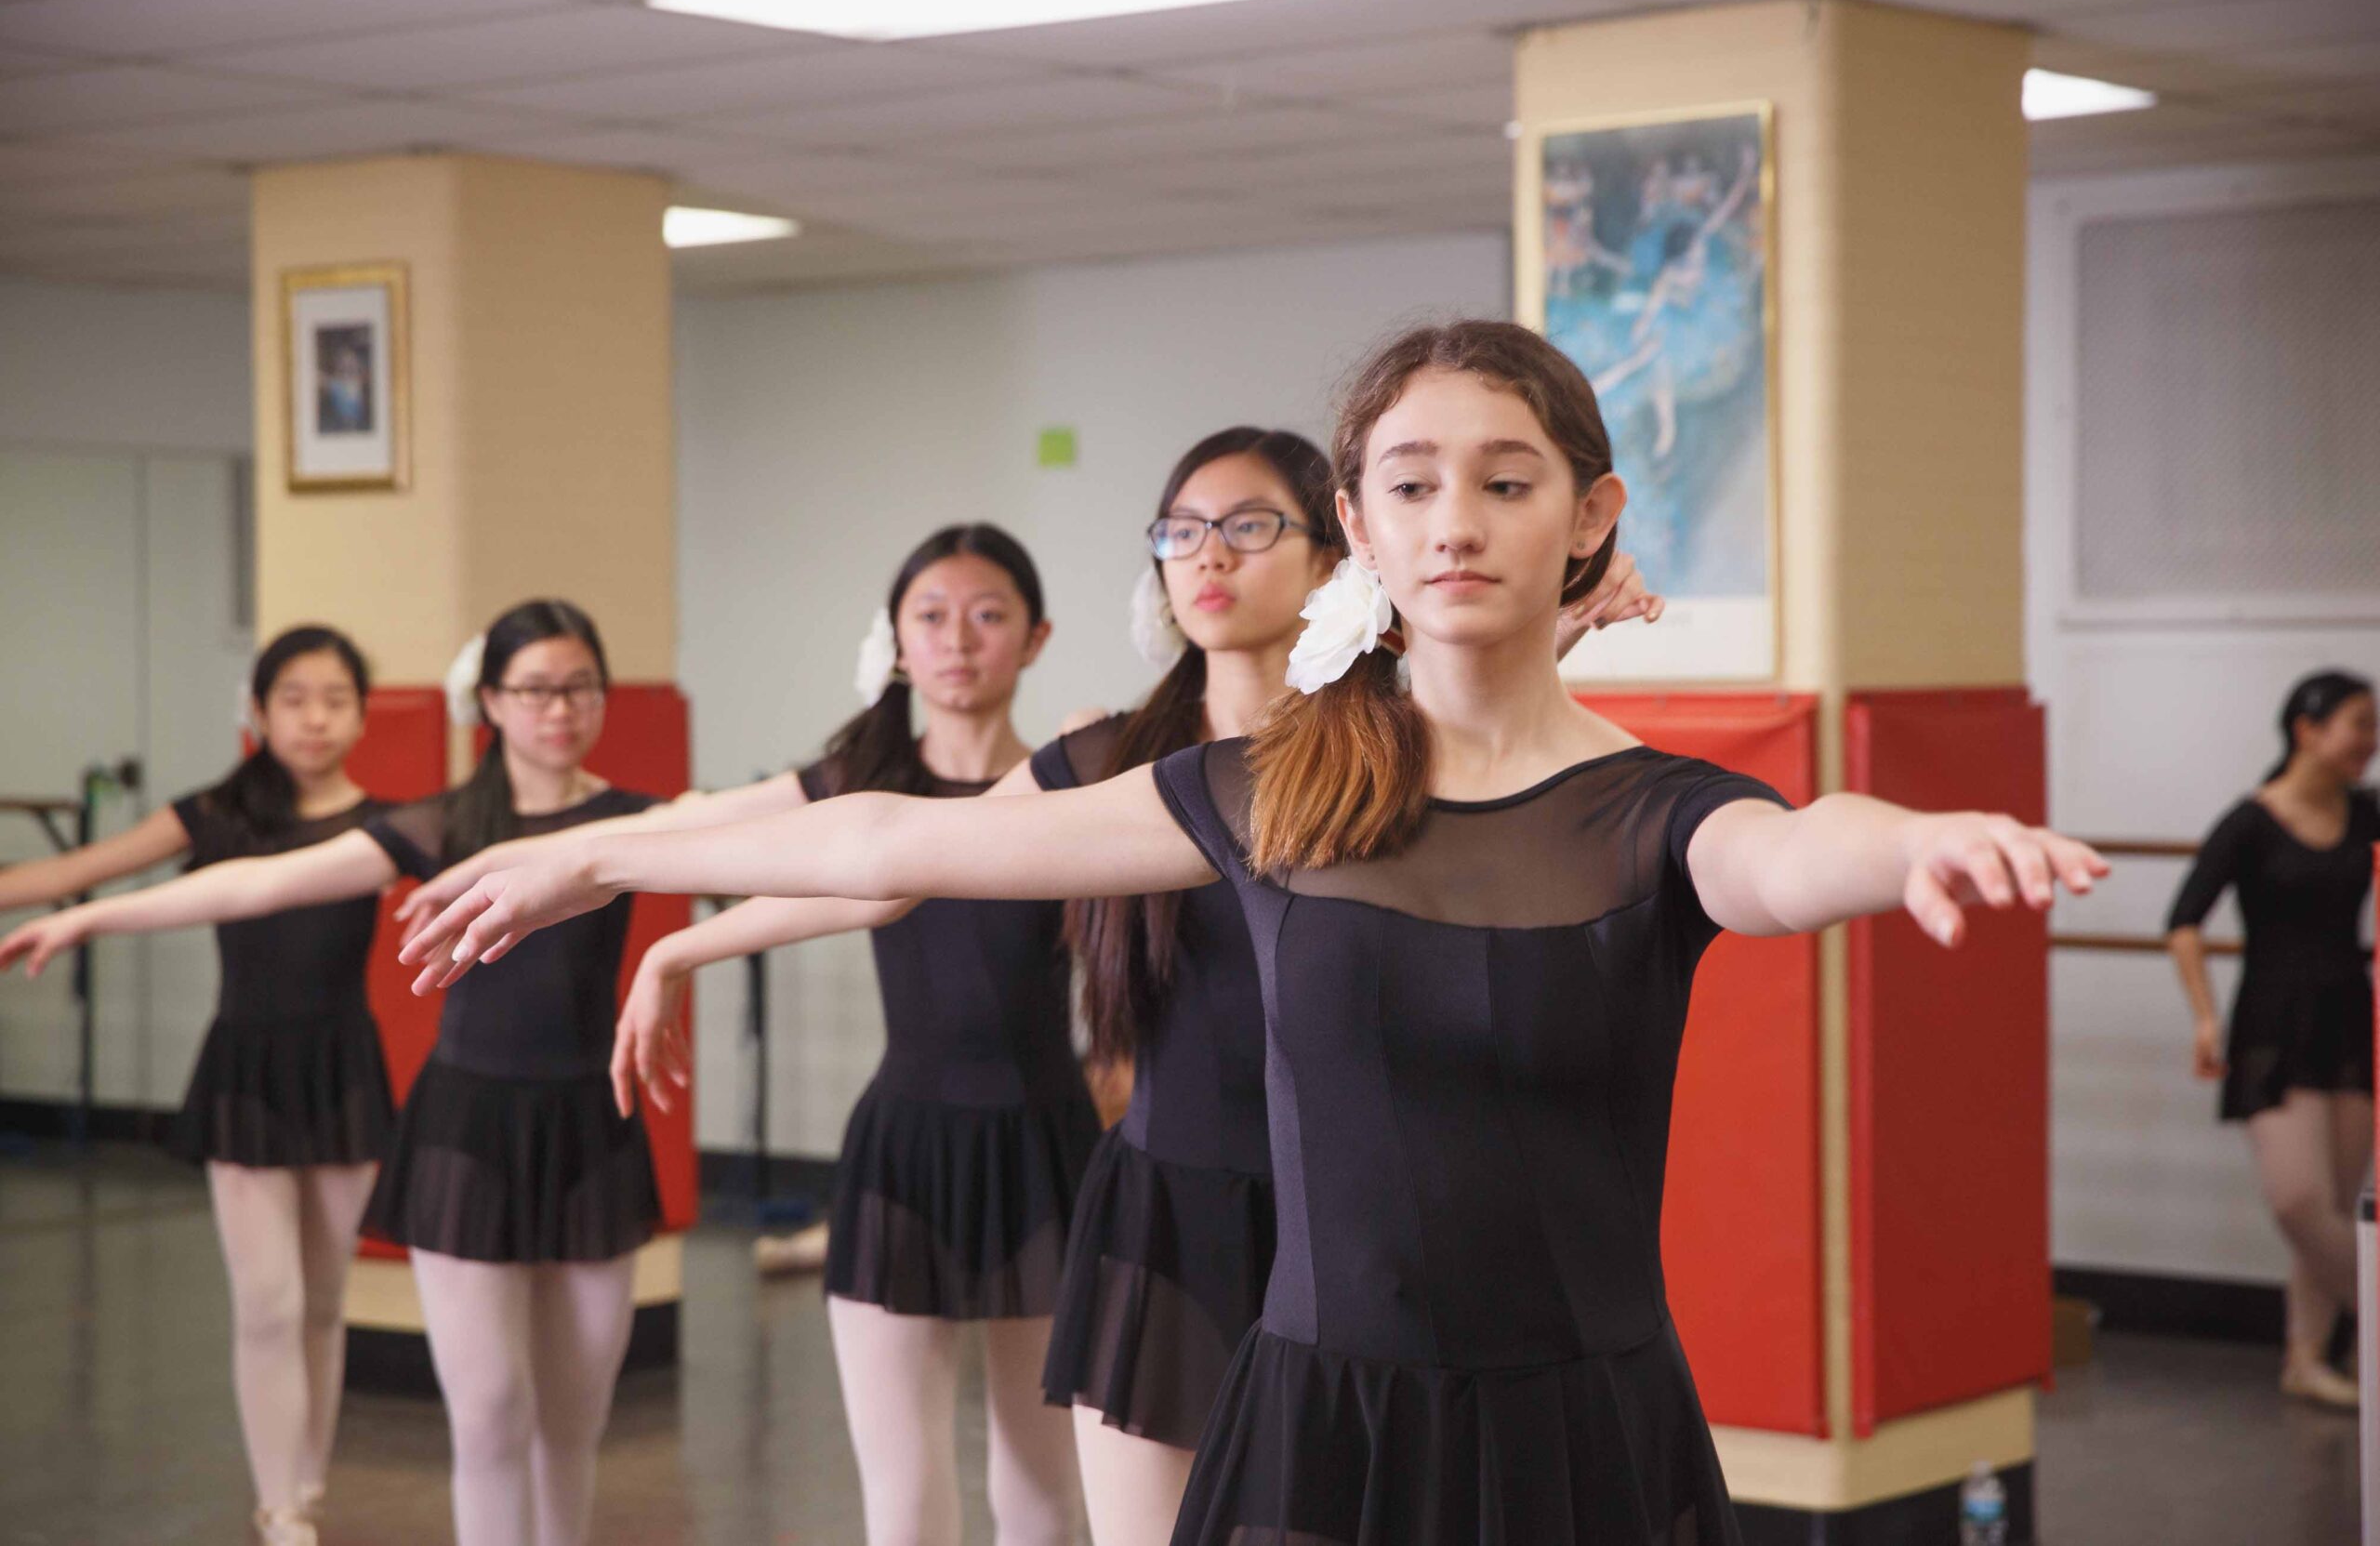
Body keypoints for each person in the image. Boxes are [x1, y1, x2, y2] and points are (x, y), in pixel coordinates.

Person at [400, 320, 2105, 1546]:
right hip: (1316, 1419)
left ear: (1587, 517)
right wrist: (612, 858)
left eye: (1506, 482)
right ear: (1361, 529)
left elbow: (1799, 853)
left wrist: (1922, 840)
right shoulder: (1266, 790)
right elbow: (893, 832)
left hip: (1577, 1423)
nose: (1456, 520)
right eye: (1413, 482)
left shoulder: (1651, 812)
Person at [407, 528, 1091, 1546]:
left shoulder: (1073, 779)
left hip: (1047, 1150)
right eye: (931, 617)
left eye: (988, 615)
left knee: (1041, 1482)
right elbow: (698, 825)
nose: (958, 641)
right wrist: (542, 865)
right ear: (896, 642)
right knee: (903, 1497)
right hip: (903, 1148)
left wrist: (669, 955)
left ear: (1034, 638)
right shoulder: (857, 783)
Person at [8, 599, 662, 1546]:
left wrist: (679, 961)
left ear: (603, 696)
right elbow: (257, 882)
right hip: (462, 1132)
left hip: (591, 1128)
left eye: (578, 688)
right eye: (534, 689)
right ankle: (288, 1501)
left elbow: (786, 842)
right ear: (489, 700)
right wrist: (86, 915)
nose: (558, 709)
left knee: (572, 1426)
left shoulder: (635, 822)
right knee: (483, 1417)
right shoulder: (440, 824)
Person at [0, 625, 392, 1546]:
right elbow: (72, 872)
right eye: (293, 698)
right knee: (269, 1302)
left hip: (343, 1070)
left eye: (336, 698)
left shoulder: (389, 823)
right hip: (245, 1071)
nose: (316, 718)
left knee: (327, 1301)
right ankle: (279, 1506)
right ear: (258, 710)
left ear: (363, 714)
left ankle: (310, 1483)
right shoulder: (215, 813)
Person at [2167, 668, 2377, 1409]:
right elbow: (2185, 919)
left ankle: (2306, 1357)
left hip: (2350, 1015)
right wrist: (2204, 1015)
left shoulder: (2368, 811)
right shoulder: (2251, 821)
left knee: (2337, 1201)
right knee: (2297, 1198)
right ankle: (2374, 1321)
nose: (2371, 742)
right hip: (2270, 1019)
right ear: (2308, 730)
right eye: (2359, 724)